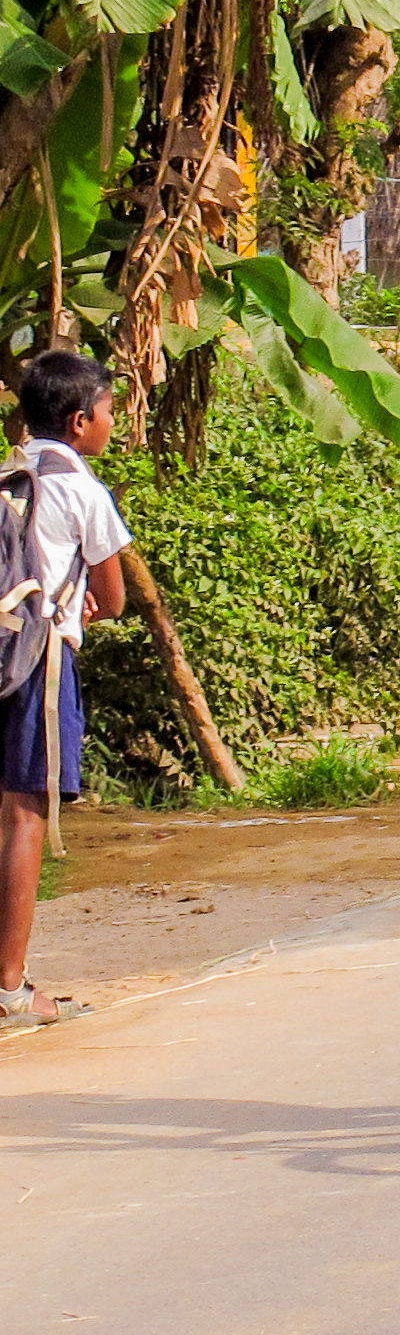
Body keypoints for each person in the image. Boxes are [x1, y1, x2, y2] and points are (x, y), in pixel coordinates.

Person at [0, 352, 130, 1031]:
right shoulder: (82, 490)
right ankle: (10, 989)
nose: (113, 422)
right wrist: (81, 607)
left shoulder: (6, 474)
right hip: (39, 662)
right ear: (80, 422)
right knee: (24, 816)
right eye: (108, 412)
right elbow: (113, 596)